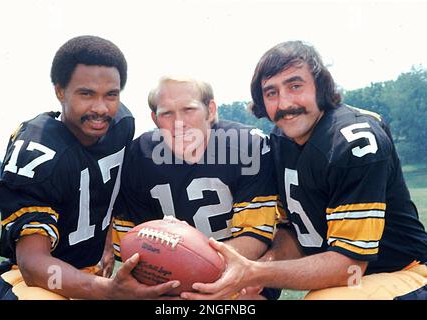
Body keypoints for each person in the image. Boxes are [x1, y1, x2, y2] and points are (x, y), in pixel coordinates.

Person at [180, 41, 427, 300]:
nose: (285, 103)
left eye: (295, 86)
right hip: (355, 282)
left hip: (405, 272)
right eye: (271, 93)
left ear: (321, 87)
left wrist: (256, 273)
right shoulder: (279, 142)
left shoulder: (352, 141)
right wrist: (257, 272)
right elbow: (295, 233)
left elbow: (350, 266)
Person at [0, 35, 179, 300]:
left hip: (90, 275)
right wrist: (106, 290)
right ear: (60, 91)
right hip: (32, 279)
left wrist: (108, 246)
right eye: (86, 94)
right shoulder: (37, 151)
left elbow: (110, 189)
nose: (100, 108)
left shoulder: (122, 124)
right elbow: (33, 263)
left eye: (110, 95)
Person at [112, 76, 279, 299]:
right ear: (154, 118)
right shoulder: (139, 155)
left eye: (188, 109)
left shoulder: (247, 147)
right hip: (170, 282)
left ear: (210, 110)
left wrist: (208, 271)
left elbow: (255, 236)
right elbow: (135, 243)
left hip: (241, 276)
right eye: (166, 113)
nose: (179, 123)